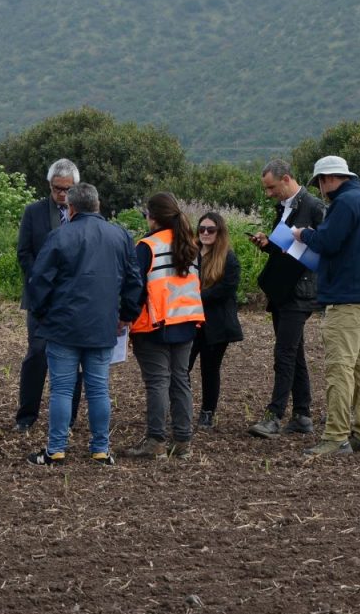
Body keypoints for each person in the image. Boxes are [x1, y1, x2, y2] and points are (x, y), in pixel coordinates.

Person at [21, 181, 144, 466]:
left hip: (63, 325)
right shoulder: (120, 235)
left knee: (62, 389)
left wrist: (41, 315)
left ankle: (56, 449)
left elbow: (39, 280)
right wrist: (126, 315)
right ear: (98, 205)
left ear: (71, 207)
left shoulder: (59, 235)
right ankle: (101, 449)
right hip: (103, 324)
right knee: (99, 389)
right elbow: (133, 280)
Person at [292, 155, 360, 457]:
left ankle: (335, 436)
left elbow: (328, 242)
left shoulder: (343, 204)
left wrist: (302, 234)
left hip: (346, 298)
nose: (320, 189)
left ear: (329, 179)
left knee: (339, 368)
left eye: (319, 183)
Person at [122, 191, 205, 459]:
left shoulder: (147, 246)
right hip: (187, 320)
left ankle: (155, 441)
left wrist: (125, 316)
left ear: (152, 217)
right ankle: (183, 441)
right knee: (181, 380)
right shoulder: (191, 245)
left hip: (155, 324)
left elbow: (134, 287)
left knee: (157, 382)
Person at [248, 158, 325, 439]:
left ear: (286, 179)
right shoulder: (284, 208)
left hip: (300, 292)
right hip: (282, 289)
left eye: (271, 188)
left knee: (284, 353)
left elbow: (323, 247)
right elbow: (286, 248)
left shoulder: (315, 207)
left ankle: (274, 416)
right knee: (295, 353)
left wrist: (302, 240)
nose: (268, 194)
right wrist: (268, 243)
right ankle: (303, 415)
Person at [14, 158, 83, 432]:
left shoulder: (85, 213)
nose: (62, 194)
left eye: (67, 189)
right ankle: (26, 416)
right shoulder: (34, 212)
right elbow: (24, 253)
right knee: (37, 353)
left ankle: (69, 418)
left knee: (73, 357)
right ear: (50, 186)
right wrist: (41, 283)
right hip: (41, 297)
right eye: (57, 189)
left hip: (74, 298)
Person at [188, 210, 242, 429]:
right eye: (202, 229)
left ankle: (207, 412)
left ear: (219, 232)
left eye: (211, 229)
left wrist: (196, 296)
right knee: (182, 368)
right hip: (191, 321)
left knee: (210, 370)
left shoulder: (228, 258)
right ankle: (182, 407)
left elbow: (227, 289)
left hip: (216, 324)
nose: (206, 233)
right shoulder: (190, 253)